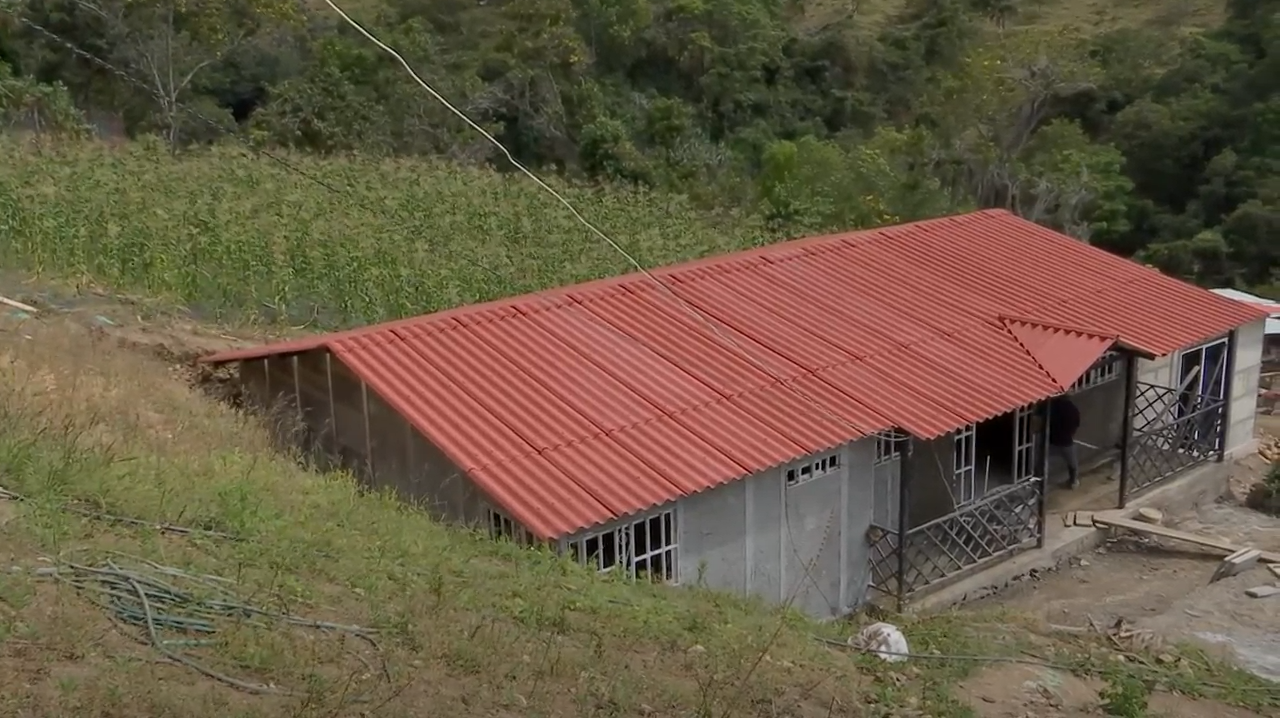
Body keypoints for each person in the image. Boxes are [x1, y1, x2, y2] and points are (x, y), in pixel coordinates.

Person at [1048, 395, 1082, 489]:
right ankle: (1073, 482)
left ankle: (1040, 483)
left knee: (1042, 462)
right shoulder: (1072, 409)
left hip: (1051, 439)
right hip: (1066, 440)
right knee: (1072, 463)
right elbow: (1076, 423)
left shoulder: (1051, 406)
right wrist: (1070, 433)